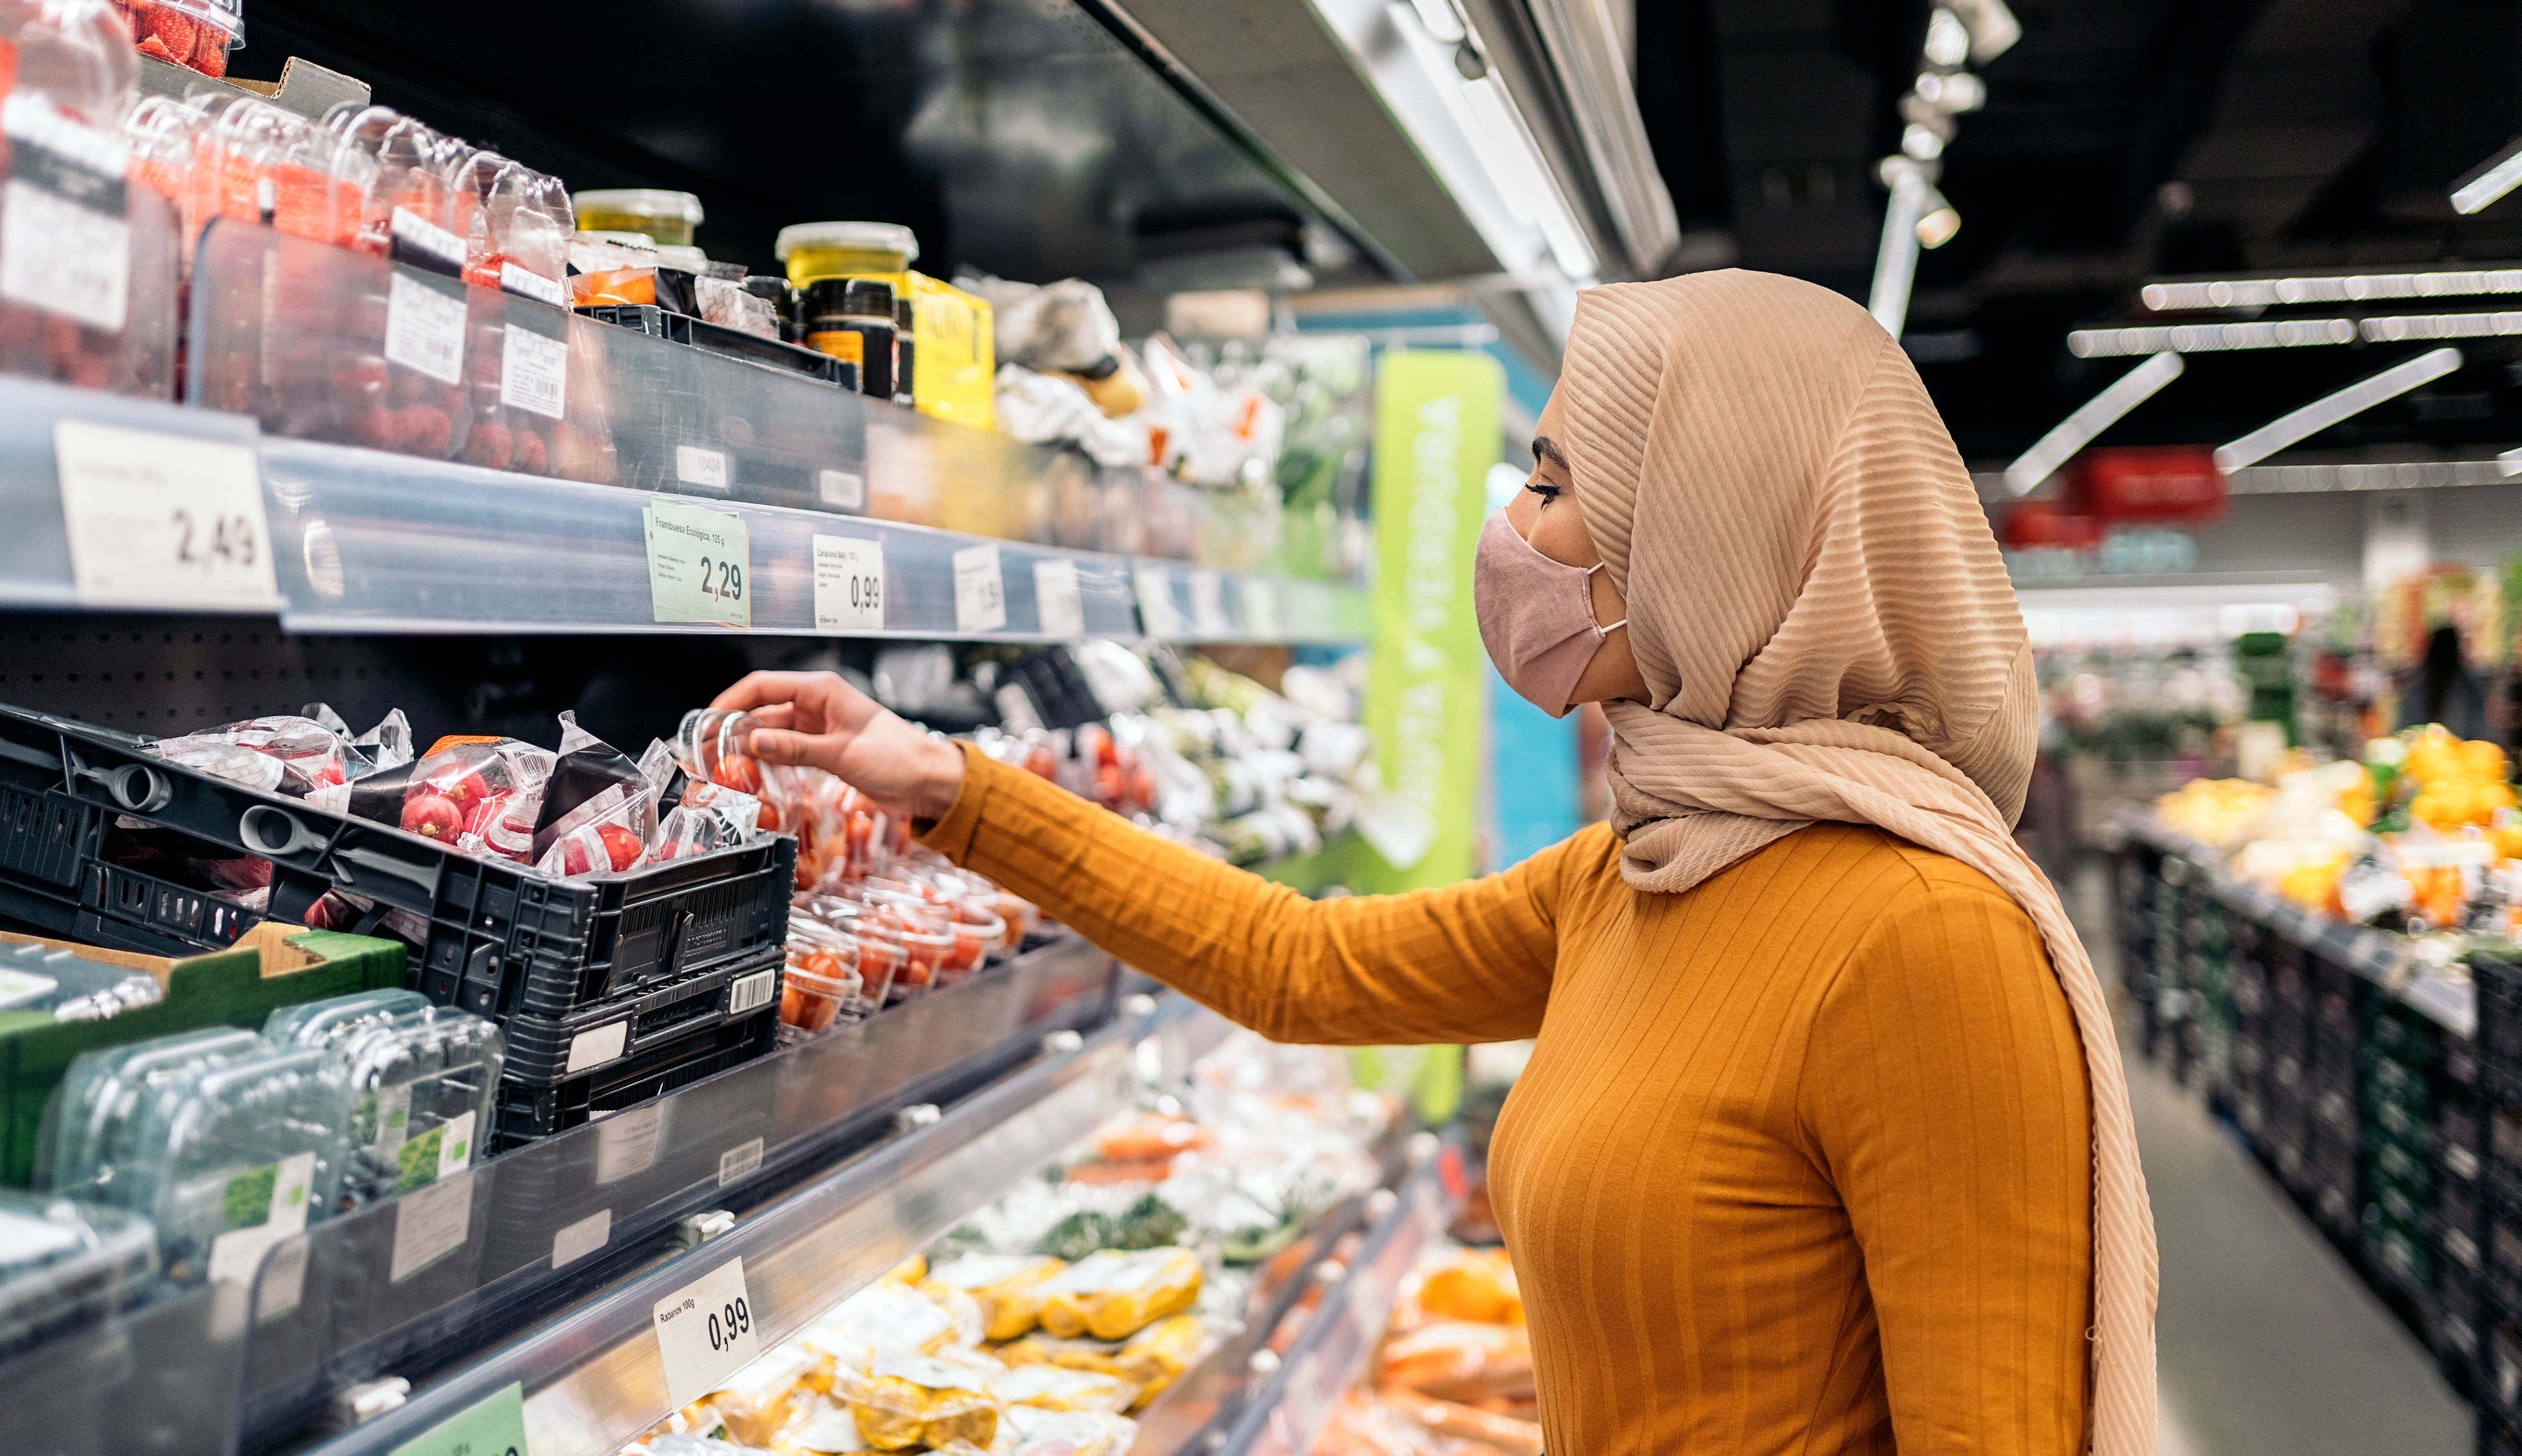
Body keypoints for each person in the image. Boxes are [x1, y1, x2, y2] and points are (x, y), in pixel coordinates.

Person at [711, 272, 2159, 1456]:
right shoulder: (1641, 873)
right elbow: (1297, 965)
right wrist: (951, 784)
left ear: (1719, 536)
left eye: (1553, 484)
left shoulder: (1927, 941)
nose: (1509, 532)